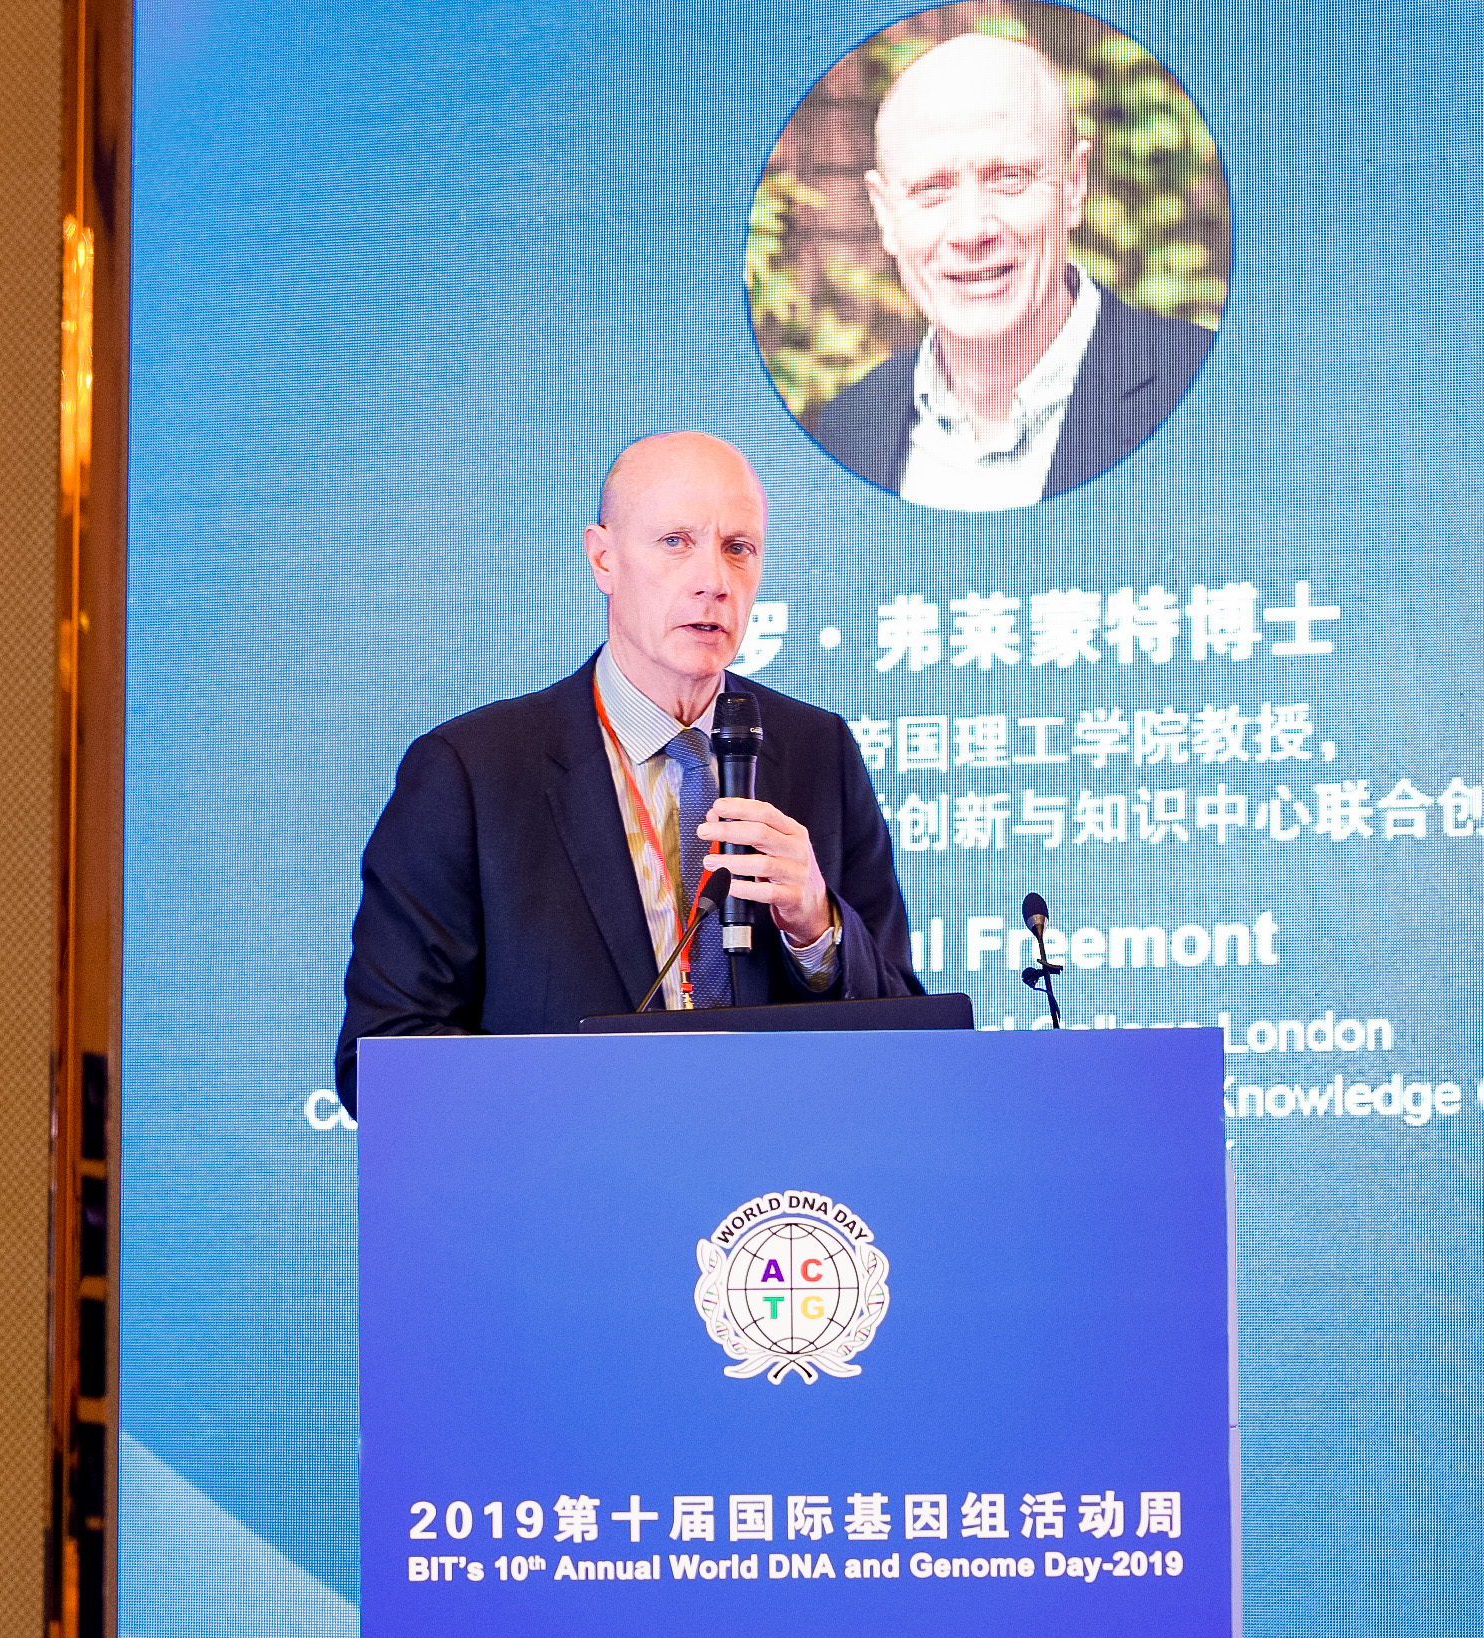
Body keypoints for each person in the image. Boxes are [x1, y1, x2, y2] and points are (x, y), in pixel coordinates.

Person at [334, 430, 921, 1113]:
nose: (714, 581)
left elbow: (912, 1038)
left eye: (739, 548)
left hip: (779, 1171)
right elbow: (383, 1060)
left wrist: (818, 931)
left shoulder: (820, 751)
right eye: (676, 541)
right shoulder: (472, 773)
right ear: (603, 559)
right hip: (570, 1172)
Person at [809, 32, 1216, 511]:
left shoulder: (1211, 395)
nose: (970, 231)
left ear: (1073, 185)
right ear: (885, 213)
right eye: (931, 189)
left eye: (1008, 178)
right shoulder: (845, 432)